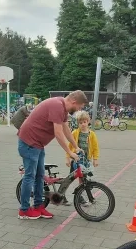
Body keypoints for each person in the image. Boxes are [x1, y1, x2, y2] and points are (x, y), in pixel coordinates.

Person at [17, 90, 87, 220]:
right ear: (74, 102)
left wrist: (76, 146)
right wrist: (69, 152)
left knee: (39, 177)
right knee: (30, 177)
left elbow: (66, 129)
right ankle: (24, 210)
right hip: (29, 143)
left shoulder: (63, 108)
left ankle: (38, 206)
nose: (78, 110)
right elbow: (58, 133)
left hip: (37, 144)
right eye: (79, 107)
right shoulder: (57, 106)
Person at [64, 111, 99, 205]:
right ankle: (62, 194)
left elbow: (95, 148)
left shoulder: (92, 134)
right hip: (76, 160)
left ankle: (79, 196)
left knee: (83, 179)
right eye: (80, 123)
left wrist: (95, 159)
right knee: (69, 179)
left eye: (84, 122)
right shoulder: (75, 133)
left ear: (88, 121)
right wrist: (67, 158)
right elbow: (70, 146)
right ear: (78, 123)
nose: (83, 124)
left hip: (86, 161)